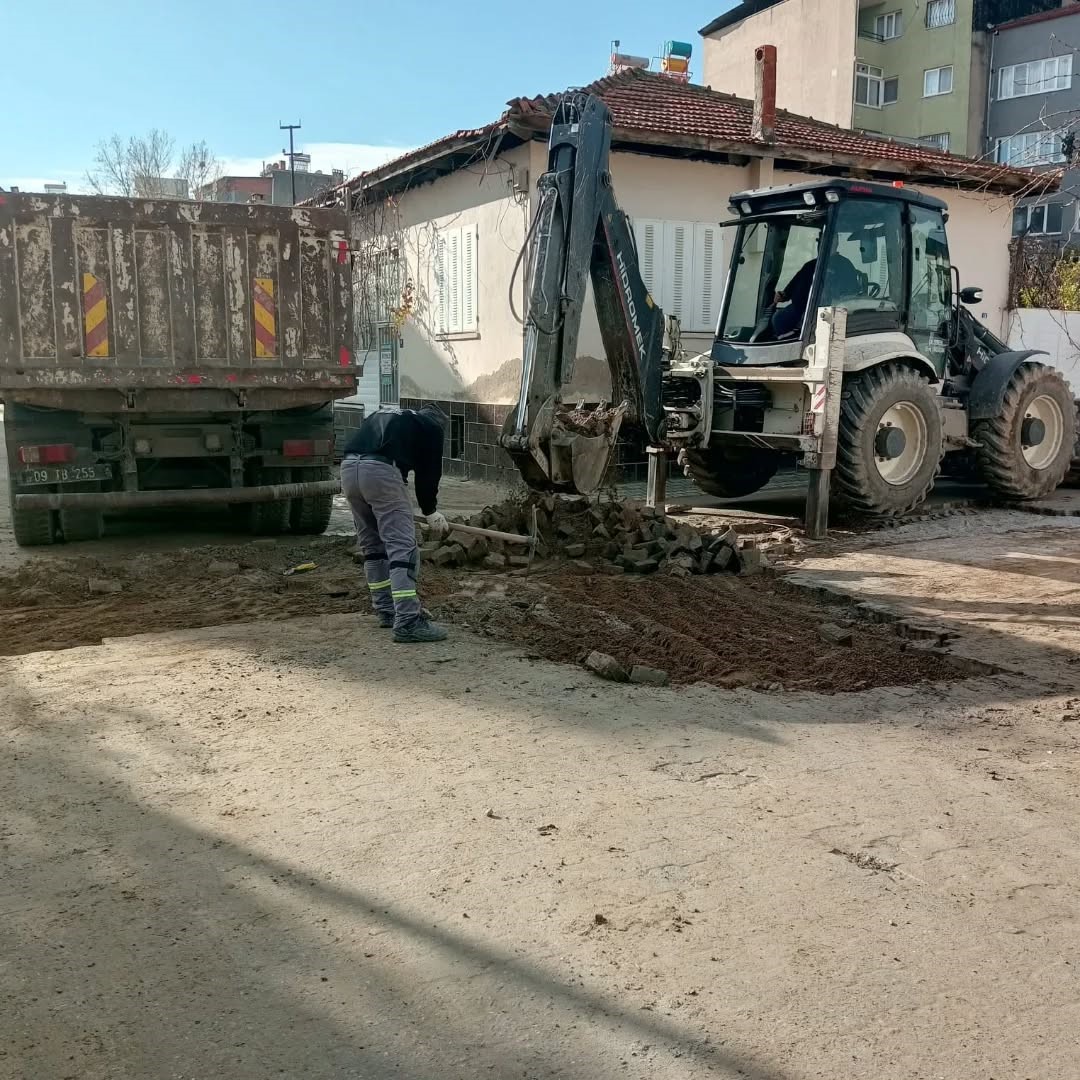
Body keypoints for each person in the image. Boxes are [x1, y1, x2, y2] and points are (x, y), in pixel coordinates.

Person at [340, 404, 451, 644]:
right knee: (403, 548)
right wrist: (430, 511)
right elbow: (428, 473)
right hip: (380, 471)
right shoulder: (432, 428)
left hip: (349, 470)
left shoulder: (393, 416)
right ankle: (408, 621)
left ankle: (386, 610)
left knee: (373, 547)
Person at [771, 252, 862, 338]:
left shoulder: (844, 265)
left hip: (830, 308)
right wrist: (784, 295)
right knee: (778, 319)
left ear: (836, 241)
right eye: (819, 240)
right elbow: (793, 286)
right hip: (802, 308)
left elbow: (852, 291)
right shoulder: (811, 265)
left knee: (781, 320)